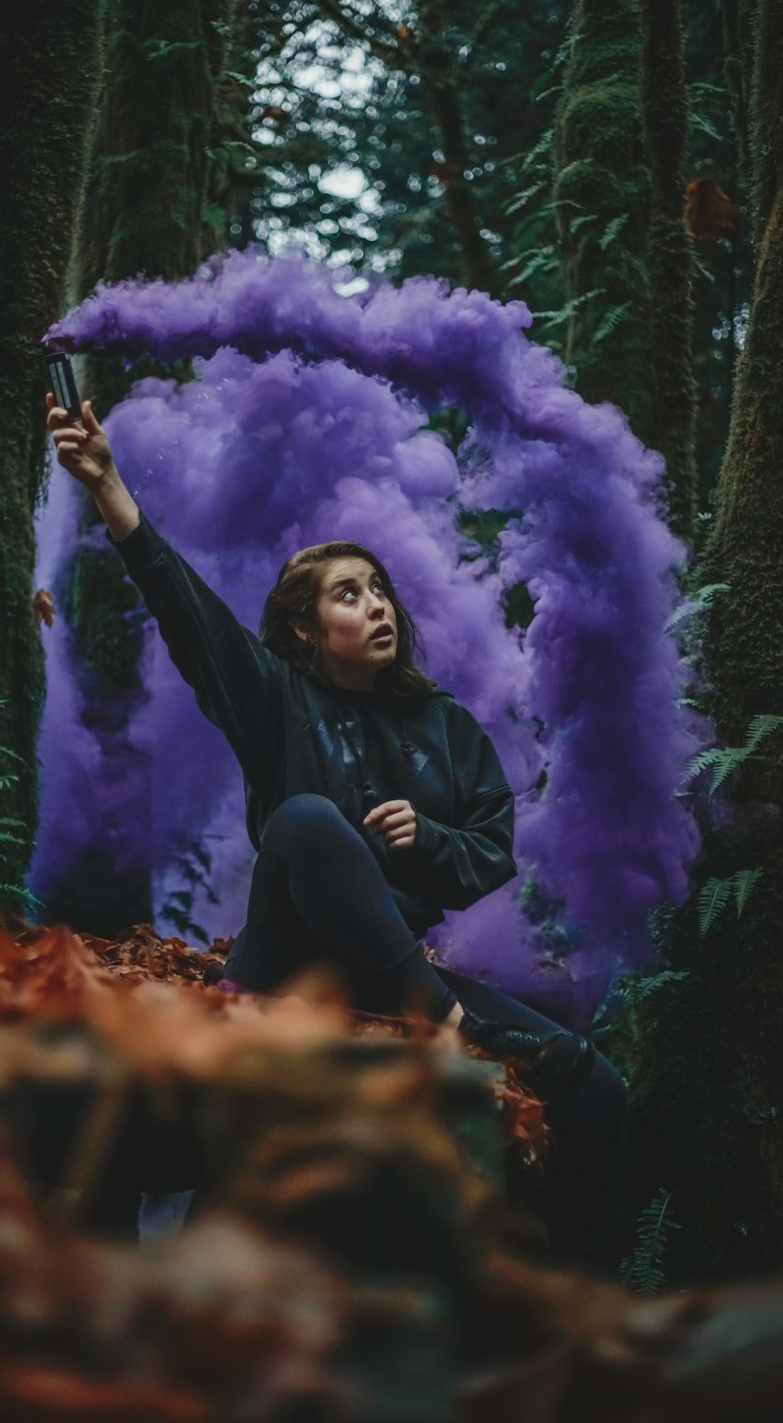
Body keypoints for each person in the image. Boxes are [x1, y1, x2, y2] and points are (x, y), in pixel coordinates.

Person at [49, 394, 627, 1267]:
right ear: (305, 631)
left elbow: (488, 853)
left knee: (596, 1089)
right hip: (285, 965)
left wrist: (425, 838)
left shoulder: (446, 725)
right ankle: (449, 1020)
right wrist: (110, 488)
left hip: (393, 972)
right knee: (309, 821)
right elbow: (190, 613)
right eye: (349, 595)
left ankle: (576, 1311)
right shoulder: (274, 696)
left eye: (379, 590)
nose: (377, 606)